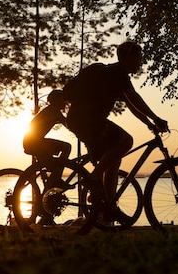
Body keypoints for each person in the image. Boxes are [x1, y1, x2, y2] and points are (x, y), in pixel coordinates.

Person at [65, 41, 168, 216]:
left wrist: (150, 124)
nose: (140, 62)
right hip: (87, 121)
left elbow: (131, 104)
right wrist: (156, 118)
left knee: (114, 159)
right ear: (128, 57)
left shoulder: (113, 75)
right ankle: (93, 178)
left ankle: (108, 208)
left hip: (82, 121)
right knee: (126, 141)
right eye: (139, 58)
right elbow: (134, 97)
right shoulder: (118, 73)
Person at [22, 89, 72, 183]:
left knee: (52, 165)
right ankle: (56, 178)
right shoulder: (54, 111)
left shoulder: (49, 110)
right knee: (66, 147)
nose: (65, 103)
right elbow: (69, 125)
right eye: (63, 100)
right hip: (35, 143)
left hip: (32, 141)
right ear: (57, 100)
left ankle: (53, 178)